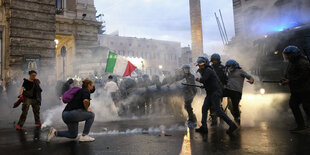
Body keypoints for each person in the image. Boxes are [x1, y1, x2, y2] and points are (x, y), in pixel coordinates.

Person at [195, 57, 238, 134]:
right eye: (199, 64)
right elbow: (209, 82)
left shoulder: (208, 70)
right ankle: (204, 127)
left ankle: (232, 125)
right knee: (204, 108)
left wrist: (199, 80)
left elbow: (203, 80)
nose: (200, 66)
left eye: (201, 63)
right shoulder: (205, 70)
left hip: (215, 93)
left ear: (206, 63)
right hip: (210, 93)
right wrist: (204, 85)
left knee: (218, 111)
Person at [281, 46, 310, 132]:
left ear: (294, 54)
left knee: (307, 108)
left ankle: (303, 126)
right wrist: (285, 79)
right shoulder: (292, 62)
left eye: (288, 55)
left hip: (305, 89)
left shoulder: (302, 63)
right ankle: (301, 126)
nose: (286, 57)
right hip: (297, 90)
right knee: (293, 105)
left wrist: (289, 81)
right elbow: (290, 73)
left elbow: (303, 77)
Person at [223, 59, 254, 126]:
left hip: (237, 92)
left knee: (235, 106)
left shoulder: (240, 71)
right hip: (229, 90)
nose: (229, 68)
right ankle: (216, 108)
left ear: (234, 66)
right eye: (228, 66)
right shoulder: (228, 72)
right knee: (218, 94)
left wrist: (251, 81)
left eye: (230, 66)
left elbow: (250, 77)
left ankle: (237, 120)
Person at [210, 53, 228, 126]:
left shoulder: (222, 68)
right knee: (211, 105)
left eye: (216, 60)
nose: (214, 61)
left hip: (220, 89)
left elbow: (225, 78)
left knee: (218, 105)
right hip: (211, 89)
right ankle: (214, 119)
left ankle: (222, 118)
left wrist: (226, 85)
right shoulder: (210, 68)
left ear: (218, 60)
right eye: (213, 60)